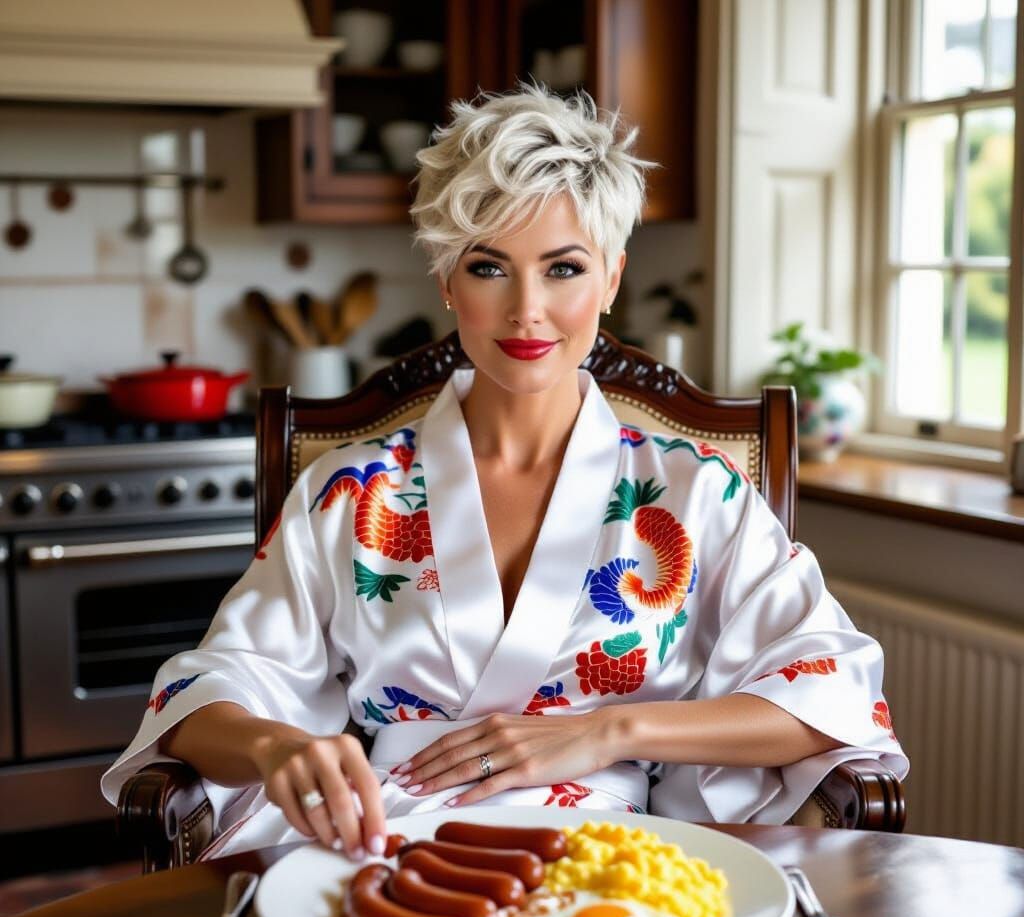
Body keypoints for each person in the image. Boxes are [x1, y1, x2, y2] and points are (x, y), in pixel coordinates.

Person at [101, 84, 908, 862]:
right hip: (386, 846)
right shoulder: (350, 493)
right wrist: (279, 747)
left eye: (563, 268)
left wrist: (611, 731)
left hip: (618, 863)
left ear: (611, 277)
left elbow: (830, 689)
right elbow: (206, 693)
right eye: (489, 267)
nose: (527, 309)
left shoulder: (699, 493)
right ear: (447, 282)